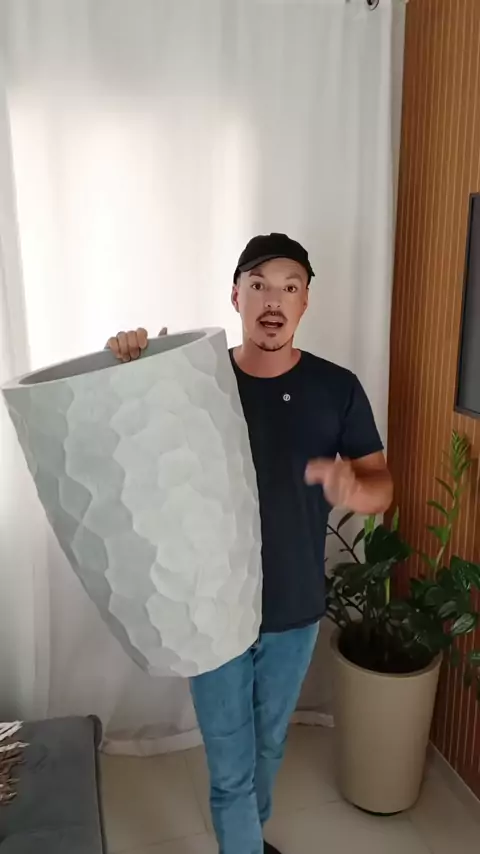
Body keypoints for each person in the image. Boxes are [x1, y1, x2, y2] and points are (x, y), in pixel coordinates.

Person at [107, 233, 393, 854]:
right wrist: (130, 364)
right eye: (259, 284)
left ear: (305, 302)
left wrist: (353, 486)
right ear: (236, 296)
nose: (273, 300)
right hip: (210, 607)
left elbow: (380, 486)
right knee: (231, 766)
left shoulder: (336, 387)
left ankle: (248, 838)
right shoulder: (194, 379)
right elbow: (129, 433)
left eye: (290, 287)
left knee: (267, 745)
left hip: (294, 606)